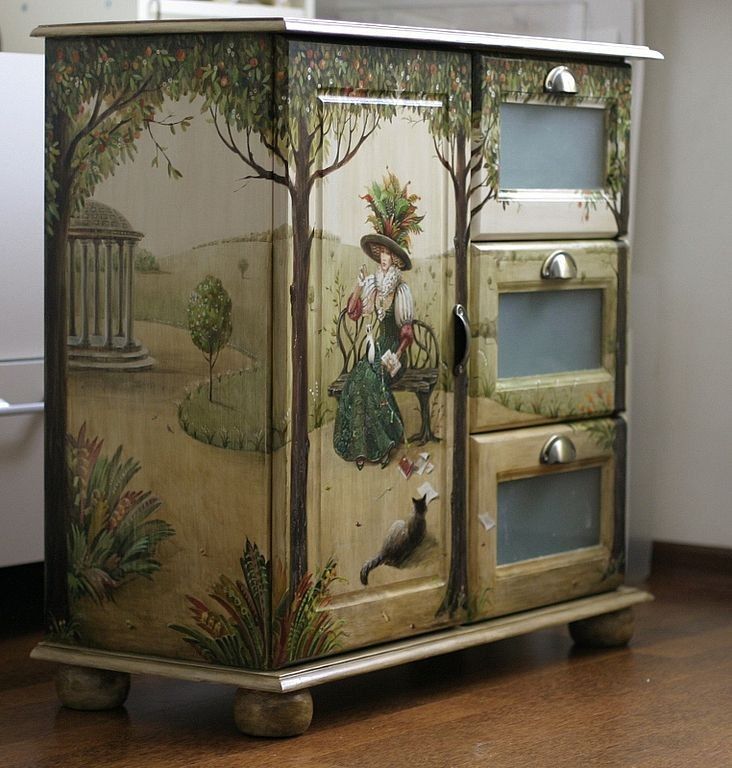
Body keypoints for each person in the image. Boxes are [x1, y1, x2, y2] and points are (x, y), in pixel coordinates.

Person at [333, 232, 415, 469]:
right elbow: (353, 312)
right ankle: (360, 447)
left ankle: (386, 442)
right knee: (357, 379)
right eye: (381, 253)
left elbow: (407, 334)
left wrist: (396, 356)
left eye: (388, 253)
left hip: (395, 352)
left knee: (371, 380)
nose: (384, 258)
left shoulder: (401, 290)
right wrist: (358, 287)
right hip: (377, 347)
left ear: (395, 259)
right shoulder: (374, 284)